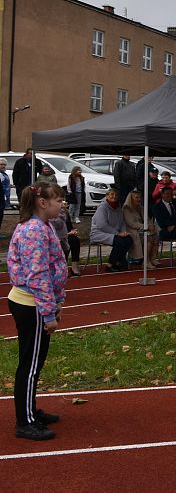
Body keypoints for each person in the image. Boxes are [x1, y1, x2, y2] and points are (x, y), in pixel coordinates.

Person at [6, 182, 68, 441]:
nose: (61, 203)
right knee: (30, 365)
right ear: (43, 203)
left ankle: (31, 411)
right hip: (31, 305)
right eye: (58, 200)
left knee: (35, 362)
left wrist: (57, 300)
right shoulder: (34, 231)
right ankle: (25, 421)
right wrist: (48, 313)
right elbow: (38, 274)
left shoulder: (44, 226)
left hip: (36, 303)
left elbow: (55, 267)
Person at [90, 189, 134, 272]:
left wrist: (124, 232)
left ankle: (118, 261)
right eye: (112, 194)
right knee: (120, 241)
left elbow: (122, 223)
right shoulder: (102, 208)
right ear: (107, 196)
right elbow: (101, 225)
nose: (114, 196)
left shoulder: (119, 209)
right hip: (99, 233)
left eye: (116, 195)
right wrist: (117, 233)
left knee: (128, 239)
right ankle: (110, 264)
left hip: (114, 234)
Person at [50, 192, 82, 277]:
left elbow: (69, 226)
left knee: (75, 240)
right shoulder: (53, 213)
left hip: (65, 235)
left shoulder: (65, 212)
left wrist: (73, 231)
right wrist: (68, 233)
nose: (63, 203)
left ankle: (74, 266)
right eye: (60, 201)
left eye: (63, 200)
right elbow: (56, 226)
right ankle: (63, 266)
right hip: (57, 237)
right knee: (67, 241)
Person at [122, 191, 157, 268]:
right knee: (149, 237)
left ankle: (152, 258)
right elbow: (132, 223)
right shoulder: (126, 209)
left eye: (140, 197)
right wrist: (147, 226)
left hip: (142, 230)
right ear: (131, 198)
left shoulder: (141, 208)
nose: (139, 199)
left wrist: (151, 226)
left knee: (155, 235)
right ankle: (146, 261)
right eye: (136, 197)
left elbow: (147, 219)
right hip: (132, 231)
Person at [0, 158, 10, 237]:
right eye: (1, 164)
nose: (3, 166)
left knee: (1, 215)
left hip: (4, 197)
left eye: (4, 165)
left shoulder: (4, 174)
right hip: (1, 196)